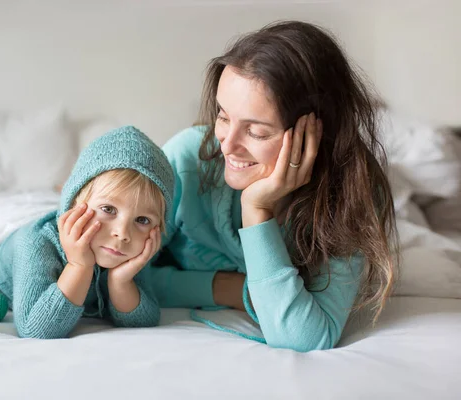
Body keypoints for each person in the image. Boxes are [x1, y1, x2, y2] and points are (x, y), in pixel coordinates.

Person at [150, 21, 398, 351]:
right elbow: (116, 274)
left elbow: (306, 338)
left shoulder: (352, 196)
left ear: (315, 136)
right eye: (224, 116)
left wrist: (256, 210)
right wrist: (231, 288)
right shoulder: (187, 160)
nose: (227, 145)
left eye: (256, 132)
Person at [0, 126, 174, 339]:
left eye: (142, 220)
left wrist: (121, 281)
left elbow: (144, 320)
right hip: (6, 230)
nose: (122, 233)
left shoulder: (128, 248)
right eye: (108, 209)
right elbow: (34, 329)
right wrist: (79, 266)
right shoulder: (35, 243)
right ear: (74, 203)